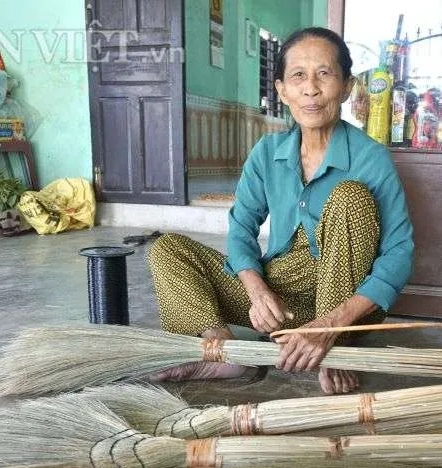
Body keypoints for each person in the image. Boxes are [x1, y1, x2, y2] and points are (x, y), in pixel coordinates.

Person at [147, 27, 414, 394]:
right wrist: (257, 292)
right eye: (298, 76)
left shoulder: (370, 159)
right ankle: (221, 351)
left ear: (347, 86)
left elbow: (399, 255)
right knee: (168, 249)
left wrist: (332, 326)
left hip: (346, 311)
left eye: (325, 74)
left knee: (350, 196)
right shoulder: (267, 152)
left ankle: (333, 349)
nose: (311, 88)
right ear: (282, 90)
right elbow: (241, 228)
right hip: (280, 299)